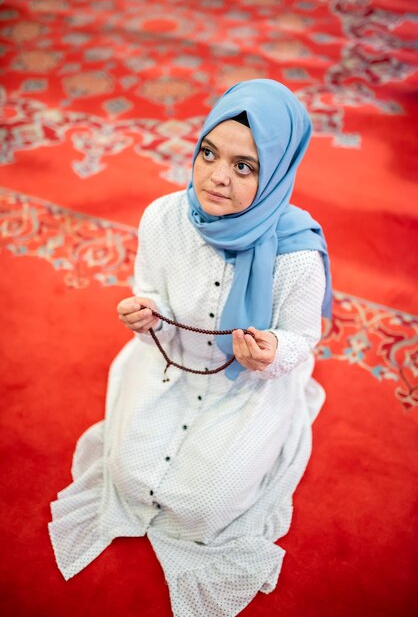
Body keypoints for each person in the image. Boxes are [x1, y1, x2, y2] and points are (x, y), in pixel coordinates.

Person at [49, 79, 332, 617]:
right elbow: (150, 286)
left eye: (244, 166)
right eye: (208, 153)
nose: (216, 177)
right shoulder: (163, 216)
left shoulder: (297, 254)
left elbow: (304, 339)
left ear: (275, 173)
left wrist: (273, 352)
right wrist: (143, 312)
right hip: (168, 366)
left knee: (204, 507)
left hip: (245, 389)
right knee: (129, 476)